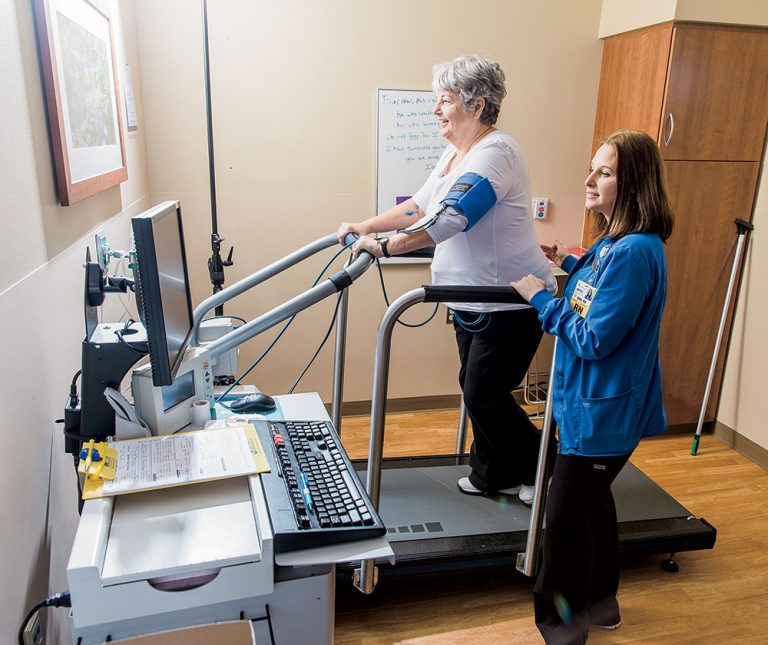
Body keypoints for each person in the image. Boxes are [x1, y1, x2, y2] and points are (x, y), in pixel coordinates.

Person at [339, 55, 556, 503]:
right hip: (471, 302)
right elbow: (419, 206)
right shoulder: (455, 152)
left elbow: (452, 218)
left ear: (476, 106)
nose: (436, 110)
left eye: (444, 101)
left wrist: (384, 249)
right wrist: (367, 227)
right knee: (476, 390)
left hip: (511, 302)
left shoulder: (497, 153)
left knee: (484, 394)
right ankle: (493, 472)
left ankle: (545, 468)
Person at [510, 130, 675, 644]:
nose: (589, 180)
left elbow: (595, 336)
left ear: (633, 185)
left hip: (601, 414)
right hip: (587, 407)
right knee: (594, 506)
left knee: (562, 526)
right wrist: (566, 263)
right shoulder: (611, 244)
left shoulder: (633, 252)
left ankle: (562, 630)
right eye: (592, 168)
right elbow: (595, 287)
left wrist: (540, 299)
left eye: (604, 172)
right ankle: (603, 605)